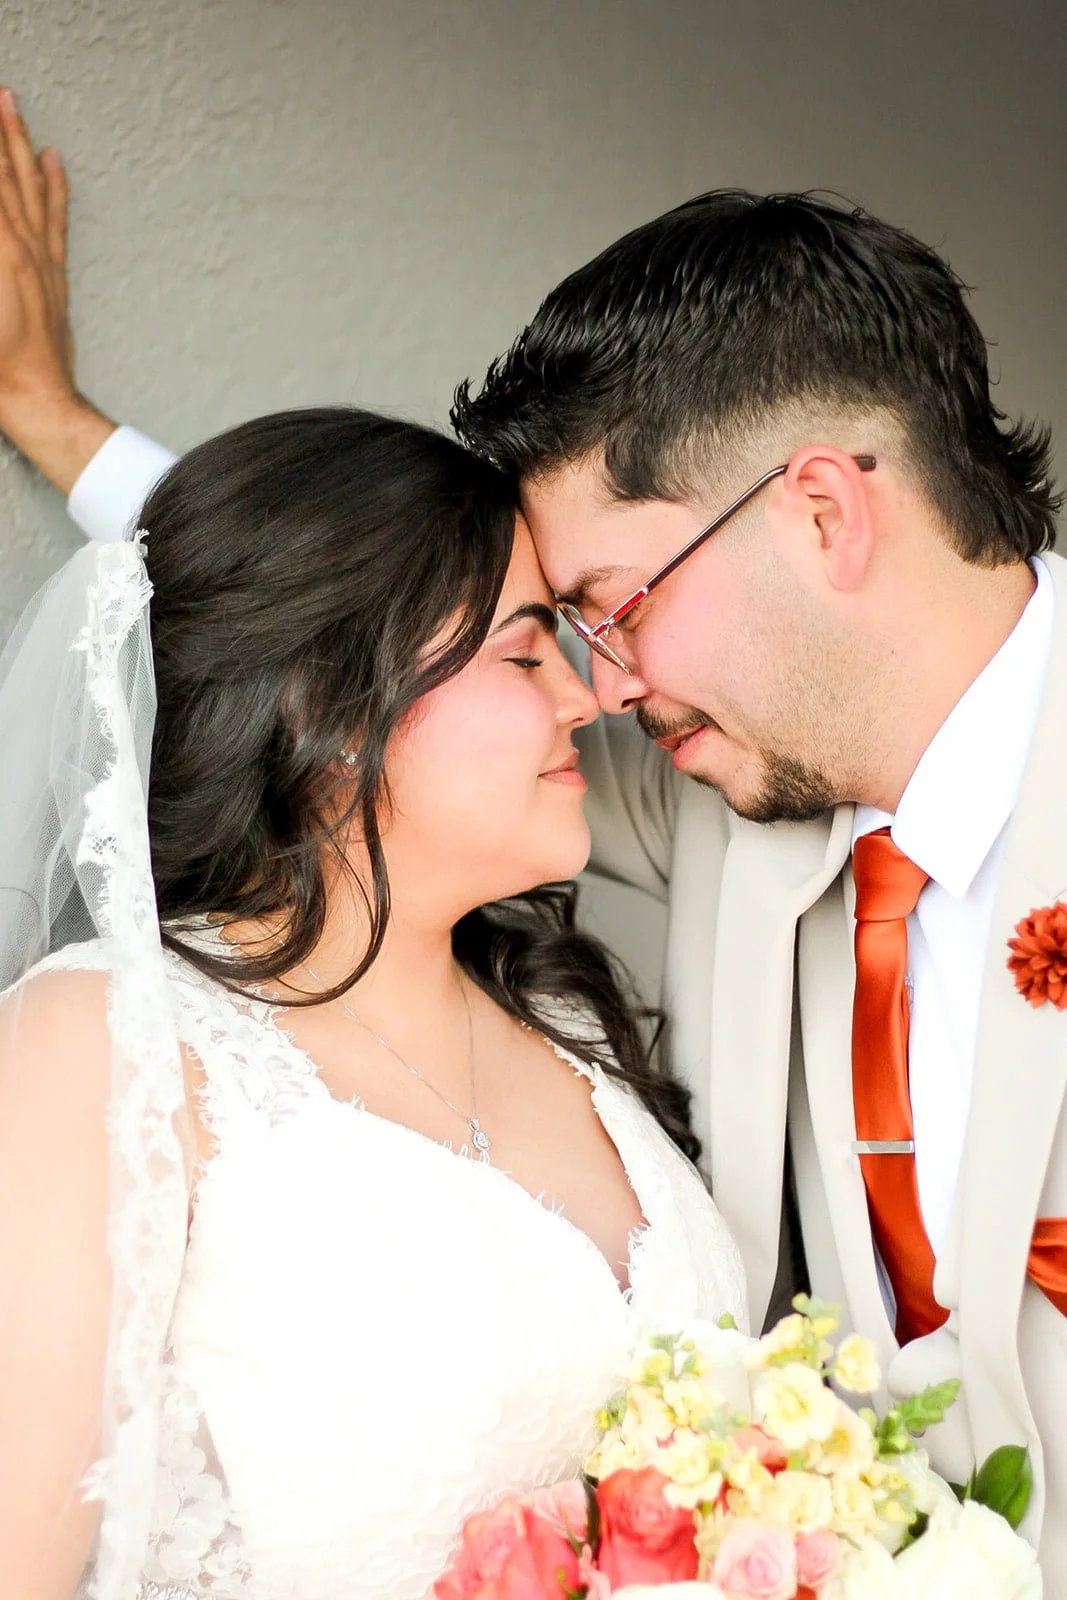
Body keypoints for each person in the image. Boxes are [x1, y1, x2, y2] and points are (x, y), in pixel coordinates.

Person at [0, 89, 1062, 1574]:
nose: (598, 687)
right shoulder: (719, 791)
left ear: (820, 515)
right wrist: (60, 426)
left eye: (614, 607)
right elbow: (351, 652)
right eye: (552, 638)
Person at [0, 398, 747, 1600]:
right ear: (325, 712)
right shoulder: (108, 1047)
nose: (583, 697)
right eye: (522, 651)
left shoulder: (567, 1028)